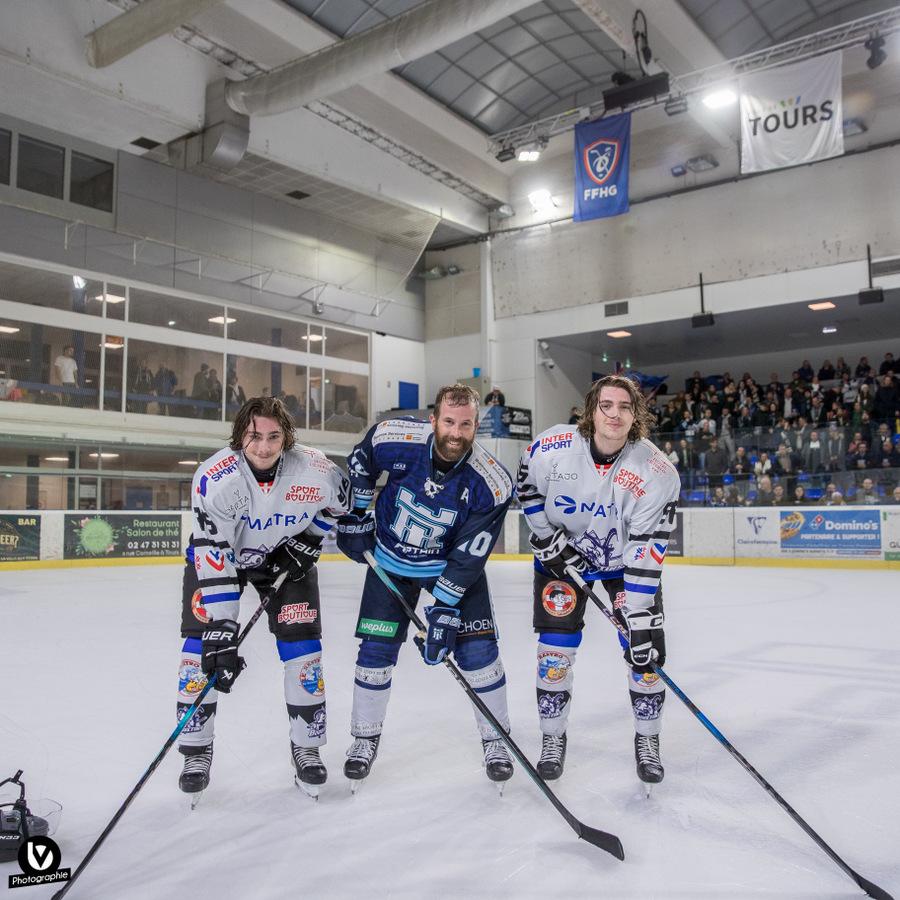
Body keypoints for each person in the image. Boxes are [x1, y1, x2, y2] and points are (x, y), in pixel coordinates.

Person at [335, 383, 514, 787]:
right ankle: (364, 739)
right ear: (433, 420)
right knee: (376, 650)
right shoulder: (394, 437)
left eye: (465, 425)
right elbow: (362, 459)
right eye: (448, 422)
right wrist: (358, 513)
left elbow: (471, 553)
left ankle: (497, 740)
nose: (456, 433)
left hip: (447, 566)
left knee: (478, 651)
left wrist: (444, 609)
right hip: (388, 562)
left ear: (476, 426)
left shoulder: (492, 482)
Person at [176, 396, 351, 798]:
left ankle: (307, 745)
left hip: (283, 558)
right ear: (240, 436)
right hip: (221, 557)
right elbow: (214, 553)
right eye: (255, 436)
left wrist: (310, 538)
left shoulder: (316, 469)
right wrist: (222, 625)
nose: (264, 446)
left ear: (286, 438)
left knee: (303, 649)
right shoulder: (215, 478)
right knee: (199, 649)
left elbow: (345, 502)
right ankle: (196, 750)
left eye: (274, 437)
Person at [516, 375, 680, 786]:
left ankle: (648, 740)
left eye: (625, 406)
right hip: (560, 562)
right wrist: (544, 536)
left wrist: (638, 620)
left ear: (636, 415)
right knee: (554, 655)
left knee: (645, 657)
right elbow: (526, 483)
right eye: (606, 405)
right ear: (591, 410)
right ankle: (552, 737)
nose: (615, 414)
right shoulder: (553, 448)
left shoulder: (656, 471)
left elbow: (644, 550)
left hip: (624, 567)